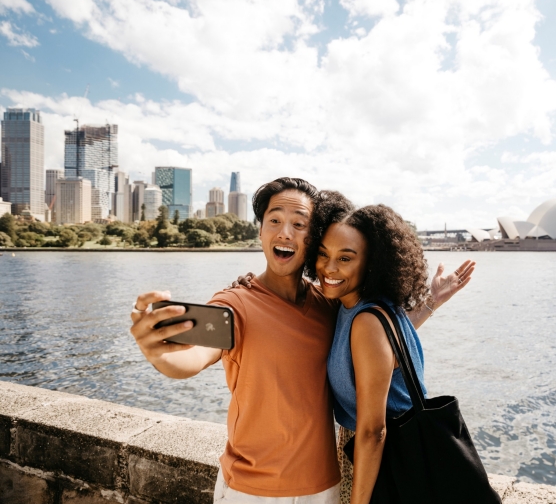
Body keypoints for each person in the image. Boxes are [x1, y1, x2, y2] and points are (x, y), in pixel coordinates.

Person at [129, 178, 472, 503]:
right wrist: (156, 349)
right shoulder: (236, 304)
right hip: (252, 490)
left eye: (299, 223)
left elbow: (377, 347)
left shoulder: (329, 305)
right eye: (274, 220)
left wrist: (429, 303)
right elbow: (192, 357)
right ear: (260, 231)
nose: (285, 232)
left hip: (325, 487)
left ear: (313, 237)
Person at [305, 198, 475, 504]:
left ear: (371, 263)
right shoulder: (367, 306)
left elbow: (373, 431)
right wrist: (431, 302)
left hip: (381, 459)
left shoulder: (366, 320)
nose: (328, 268)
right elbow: (387, 352)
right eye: (322, 254)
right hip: (391, 451)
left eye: (345, 258)